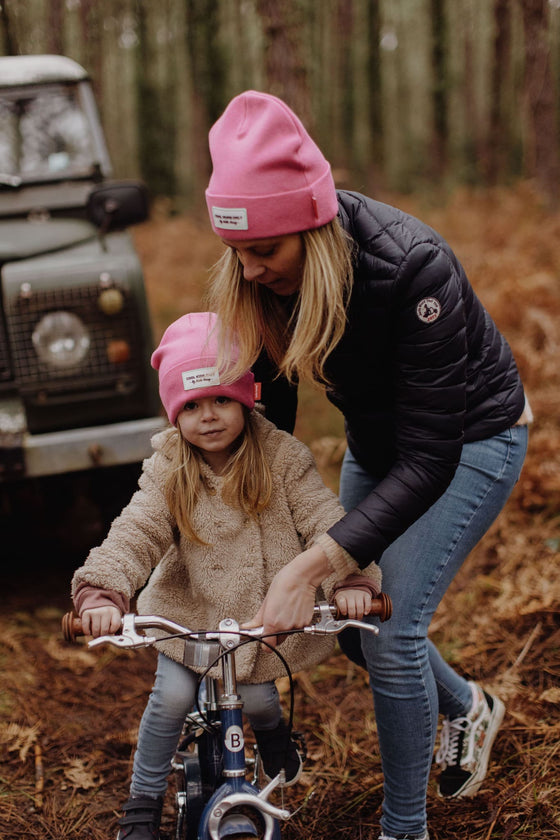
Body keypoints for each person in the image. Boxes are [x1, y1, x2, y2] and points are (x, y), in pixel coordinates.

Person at [204, 91, 531, 840]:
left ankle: (403, 828)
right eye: (238, 253)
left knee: (391, 631)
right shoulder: (262, 274)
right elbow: (274, 405)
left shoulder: (412, 266)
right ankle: (467, 708)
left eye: (266, 253)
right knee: (349, 626)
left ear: (312, 225)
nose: (250, 271)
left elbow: (430, 457)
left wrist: (308, 564)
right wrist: (257, 515)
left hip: (469, 441)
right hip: (382, 443)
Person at [71, 310, 381, 840]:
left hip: (260, 618)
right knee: (170, 698)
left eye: (220, 399)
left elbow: (323, 521)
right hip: (187, 614)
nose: (208, 416)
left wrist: (349, 583)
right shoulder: (169, 467)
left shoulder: (282, 458)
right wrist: (105, 591)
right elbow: (136, 531)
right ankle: (142, 804)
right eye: (191, 405)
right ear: (174, 413)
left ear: (245, 397)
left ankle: (275, 738)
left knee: (259, 698)